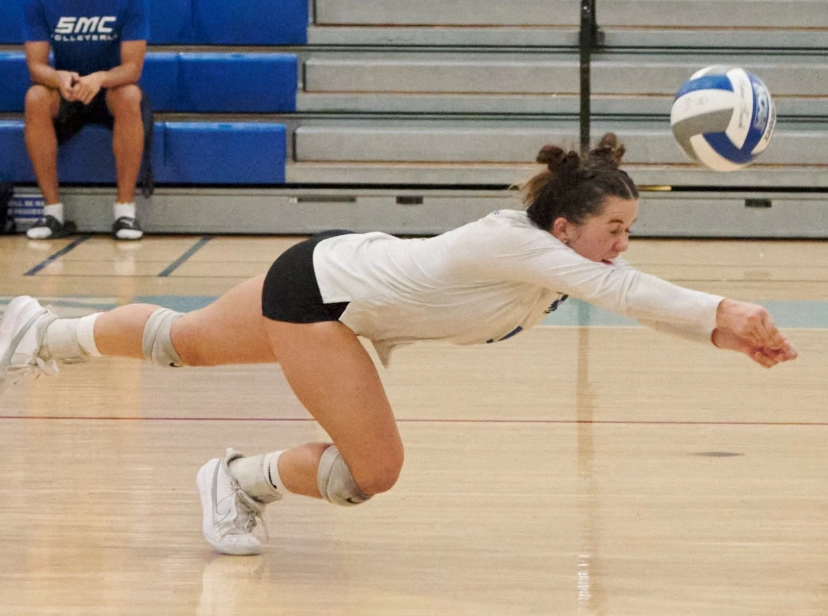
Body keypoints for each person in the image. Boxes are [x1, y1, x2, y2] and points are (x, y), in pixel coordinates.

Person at [0, 134, 798, 556]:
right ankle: (238, 480)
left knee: (180, 342)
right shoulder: (518, 247)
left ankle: (43, 331)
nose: (623, 245)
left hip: (340, 270)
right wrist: (724, 312)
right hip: (320, 292)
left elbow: (632, 294)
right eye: (615, 229)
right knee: (373, 470)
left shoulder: (559, 261)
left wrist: (722, 332)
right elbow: (628, 293)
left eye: (630, 231)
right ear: (564, 227)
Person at [22, 0, 149, 241]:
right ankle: (52, 212)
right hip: (68, 90)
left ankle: (125, 212)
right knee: (35, 97)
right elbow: (36, 67)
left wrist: (100, 78)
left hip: (109, 88)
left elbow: (132, 68)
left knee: (130, 95)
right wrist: (58, 78)